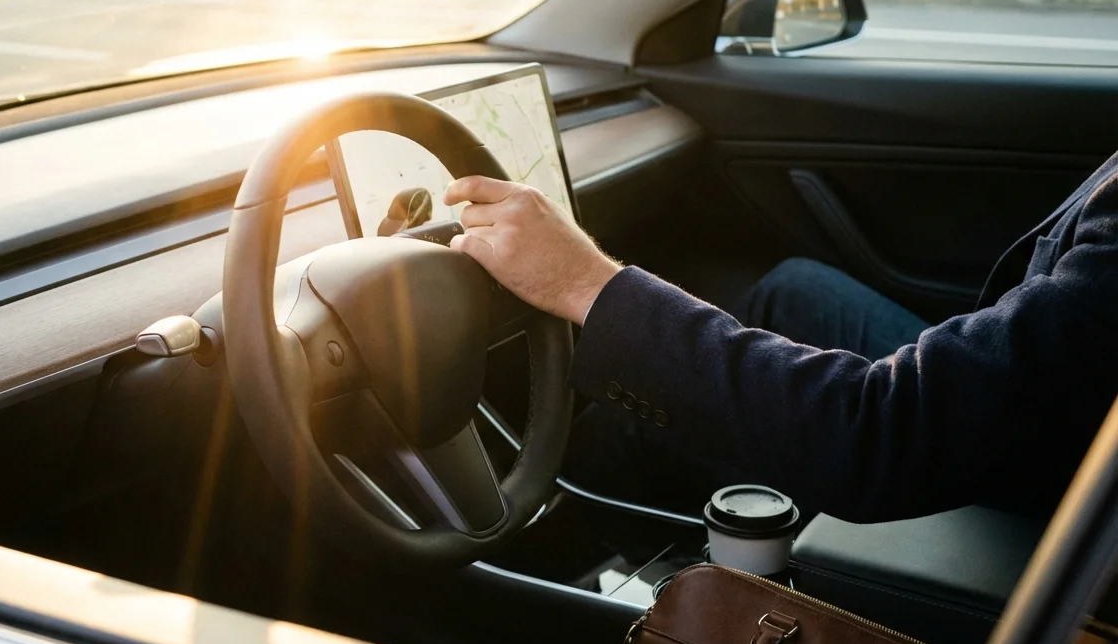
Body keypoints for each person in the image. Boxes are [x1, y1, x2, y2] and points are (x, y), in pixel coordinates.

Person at [442, 154, 1118, 523]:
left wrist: (583, 282)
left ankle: (530, 546)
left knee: (649, 417)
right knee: (793, 292)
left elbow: (885, 437)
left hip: (1049, 530)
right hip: (1069, 440)